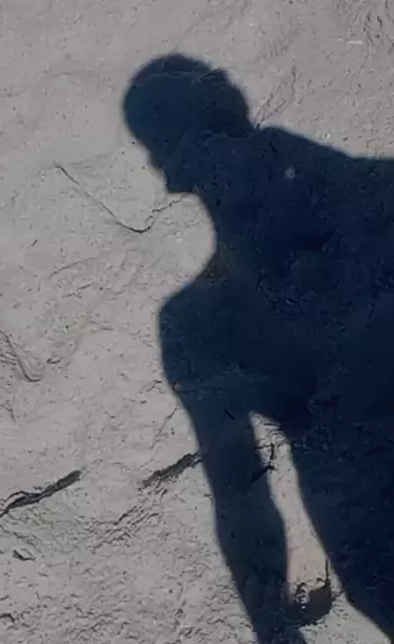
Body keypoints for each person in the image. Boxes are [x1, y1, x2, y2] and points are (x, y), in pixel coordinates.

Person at [124, 54, 394, 642]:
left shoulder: (194, 324)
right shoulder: (376, 194)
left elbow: (239, 494)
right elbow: (240, 494)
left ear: (169, 174)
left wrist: (274, 630)